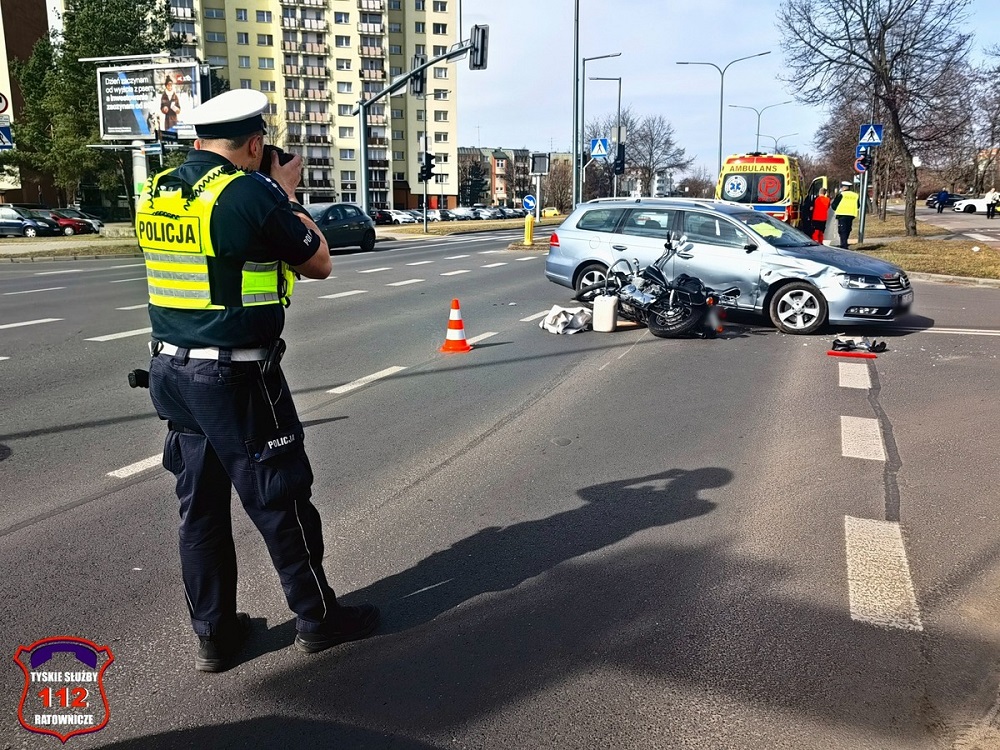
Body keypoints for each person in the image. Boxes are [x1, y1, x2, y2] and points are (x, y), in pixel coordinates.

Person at [136, 89, 379, 673]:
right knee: (279, 495)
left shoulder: (159, 188)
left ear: (196, 142)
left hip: (171, 370)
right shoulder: (249, 191)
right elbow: (318, 262)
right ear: (254, 144)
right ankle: (319, 619)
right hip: (234, 376)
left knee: (200, 510)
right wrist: (284, 192)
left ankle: (214, 636)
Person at [829, 181, 860, 249]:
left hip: (842, 215)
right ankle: (844, 243)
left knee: (842, 230)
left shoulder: (841, 195)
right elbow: (858, 206)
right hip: (851, 214)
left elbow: (834, 205)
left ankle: (844, 245)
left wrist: (835, 209)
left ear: (843, 187)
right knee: (848, 229)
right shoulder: (855, 195)